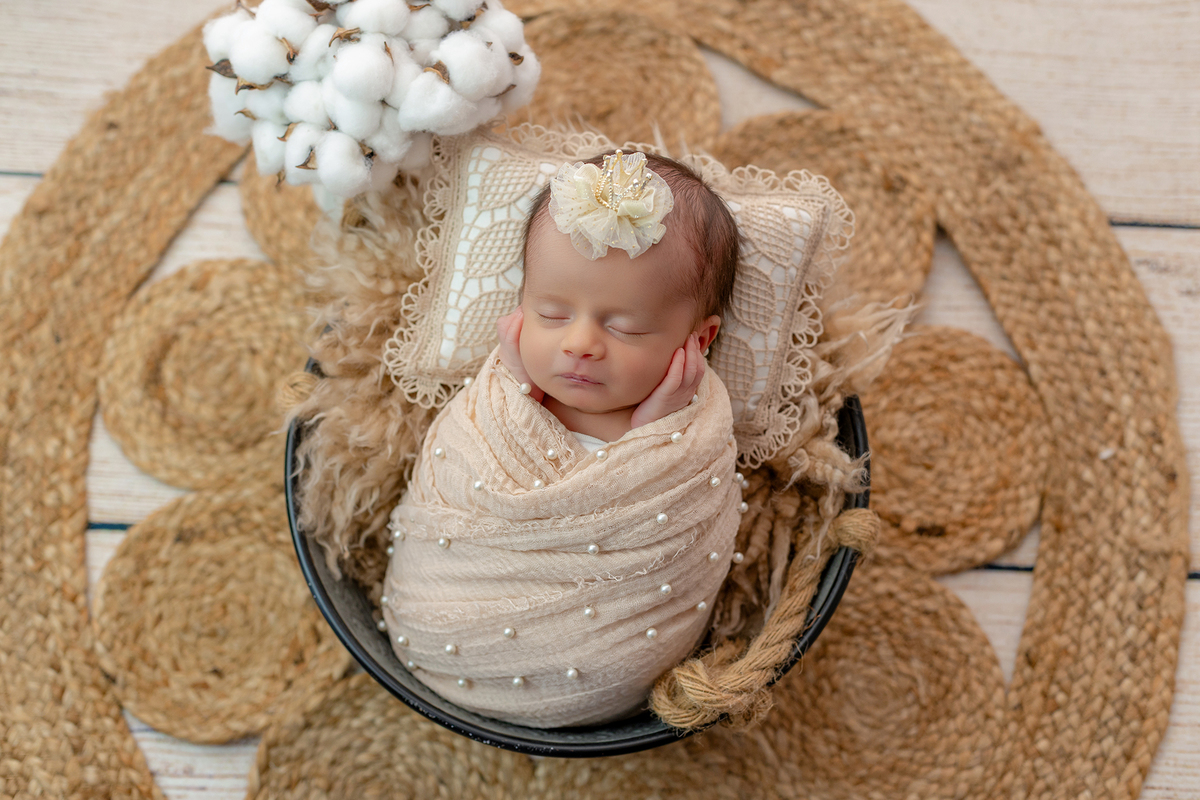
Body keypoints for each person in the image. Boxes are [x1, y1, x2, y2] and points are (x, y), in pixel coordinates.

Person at [380, 150, 746, 727]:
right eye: (550, 314)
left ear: (698, 341)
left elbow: (660, 500)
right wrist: (515, 382)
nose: (579, 344)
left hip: (603, 666)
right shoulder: (502, 400)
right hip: (439, 618)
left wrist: (658, 426)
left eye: (624, 327)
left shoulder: (685, 430)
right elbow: (462, 463)